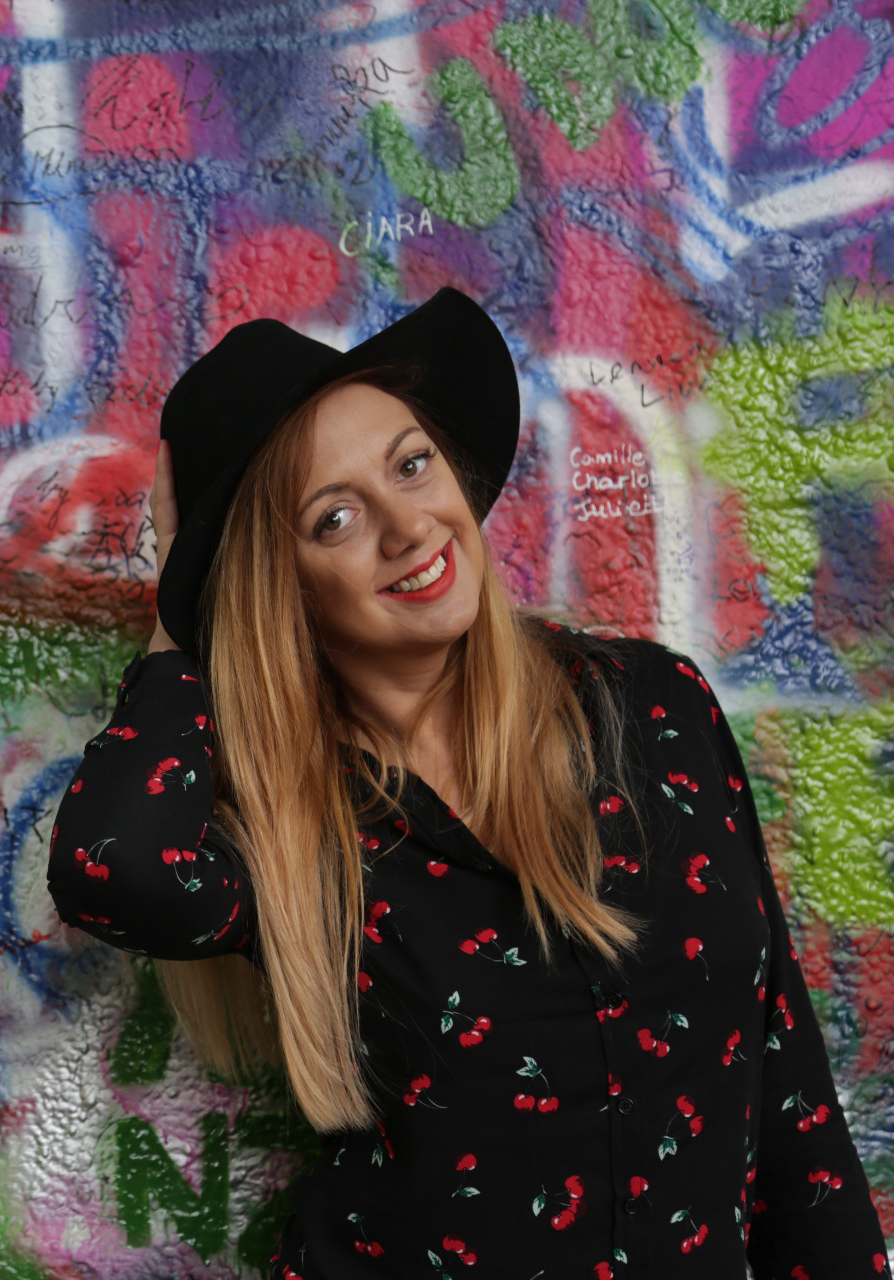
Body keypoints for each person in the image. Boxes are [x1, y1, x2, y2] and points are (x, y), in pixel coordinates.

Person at [47, 288, 887, 1278]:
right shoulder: (289, 826)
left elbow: (788, 1086)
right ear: (280, 586)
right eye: (336, 517)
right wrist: (182, 621)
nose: (409, 525)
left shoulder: (653, 707)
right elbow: (112, 868)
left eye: (411, 464)